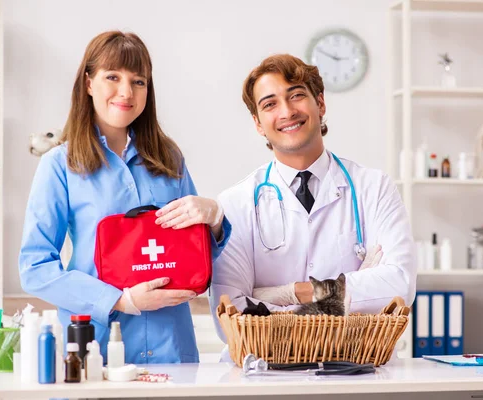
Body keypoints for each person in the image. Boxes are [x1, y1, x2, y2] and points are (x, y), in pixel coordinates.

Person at [160, 54, 416, 349]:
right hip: (265, 377)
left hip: (357, 371)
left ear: (320, 104)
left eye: (296, 95)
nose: (286, 111)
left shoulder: (373, 187)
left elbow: (399, 286)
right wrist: (352, 289)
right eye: (269, 104)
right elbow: (232, 313)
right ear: (258, 123)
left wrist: (285, 294)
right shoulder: (236, 203)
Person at [18, 31, 231, 364]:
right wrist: (119, 300)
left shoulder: (169, 158)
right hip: (97, 347)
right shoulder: (60, 165)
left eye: (139, 81)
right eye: (112, 77)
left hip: (170, 346)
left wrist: (214, 219)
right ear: (88, 82)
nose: (126, 92)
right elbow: (35, 268)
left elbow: (196, 255)